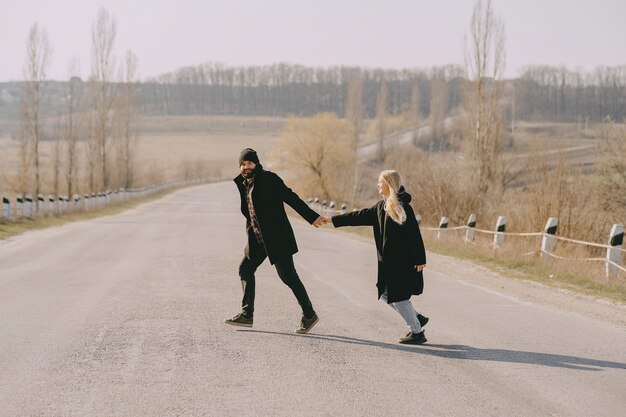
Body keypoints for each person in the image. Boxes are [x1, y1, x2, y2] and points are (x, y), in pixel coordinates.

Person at [225, 148, 326, 334]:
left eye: (249, 163)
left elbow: (290, 197)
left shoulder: (269, 179)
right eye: (243, 164)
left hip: (277, 238)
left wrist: (312, 217)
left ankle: (309, 314)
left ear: (256, 163)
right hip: (258, 239)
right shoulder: (244, 184)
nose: (246, 167)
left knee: (288, 276)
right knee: (245, 269)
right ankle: (247, 315)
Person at [330, 170, 429, 344]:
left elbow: (414, 234)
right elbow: (358, 216)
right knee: (384, 292)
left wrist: (420, 259)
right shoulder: (380, 207)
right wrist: (333, 220)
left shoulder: (404, 207)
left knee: (398, 297)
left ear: (389, 184)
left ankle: (417, 332)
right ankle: (416, 318)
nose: (377, 184)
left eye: (380, 181)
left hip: (403, 262)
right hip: (387, 263)